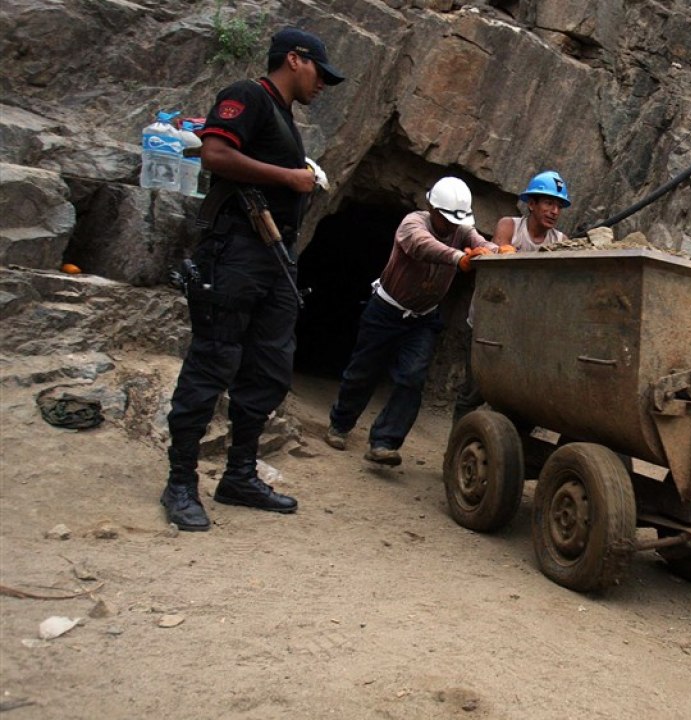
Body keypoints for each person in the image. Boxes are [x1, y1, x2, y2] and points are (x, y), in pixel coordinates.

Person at [161, 27, 345, 532]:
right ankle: (180, 482)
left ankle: (239, 475)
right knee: (213, 360)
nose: (324, 84)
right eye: (320, 72)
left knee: (268, 366)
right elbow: (215, 154)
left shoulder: (283, 116)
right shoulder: (248, 96)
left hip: (273, 257)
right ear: (294, 59)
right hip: (236, 251)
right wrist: (289, 178)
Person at [324, 177, 501, 466]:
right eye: (446, 219)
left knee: (412, 378)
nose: (451, 225)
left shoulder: (462, 230)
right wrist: (460, 259)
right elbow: (422, 246)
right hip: (386, 310)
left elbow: (480, 243)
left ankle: (384, 442)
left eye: (456, 220)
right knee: (363, 371)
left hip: (423, 318)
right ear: (432, 209)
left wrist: (494, 252)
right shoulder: (412, 224)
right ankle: (340, 424)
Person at [451, 170, 571, 425]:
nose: (555, 211)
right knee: (474, 392)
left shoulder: (561, 241)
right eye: (549, 203)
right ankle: (456, 452)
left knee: (521, 398)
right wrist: (501, 251)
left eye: (559, 205)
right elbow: (498, 249)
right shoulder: (510, 226)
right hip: (488, 324)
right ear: (532, 204)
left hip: (525, 331)